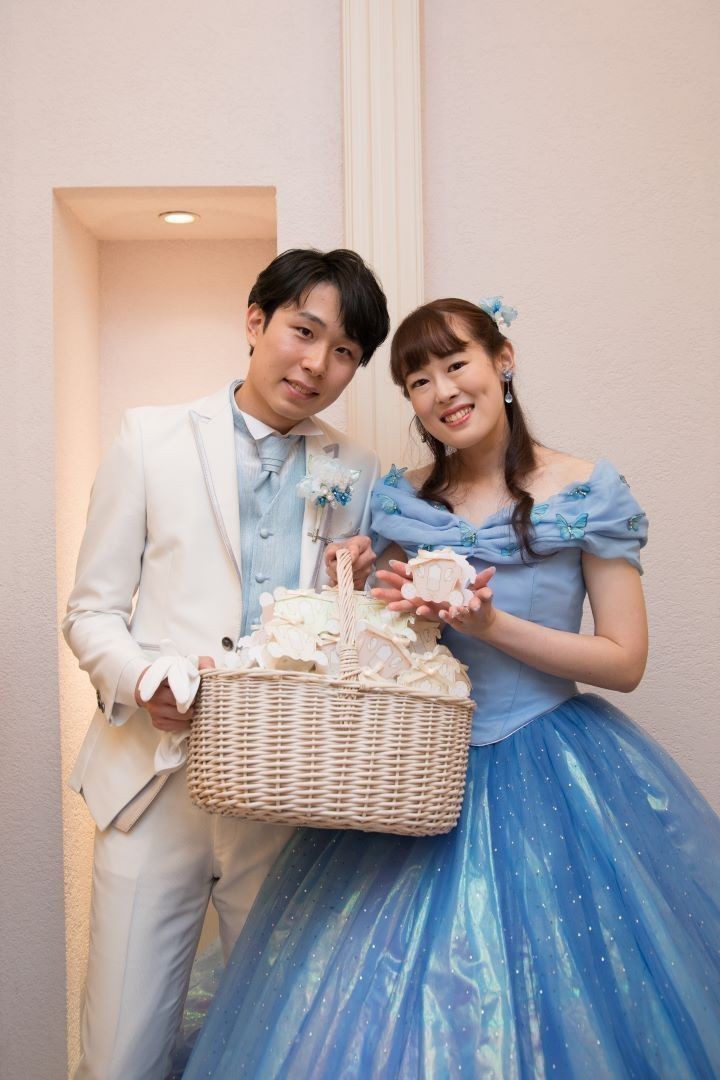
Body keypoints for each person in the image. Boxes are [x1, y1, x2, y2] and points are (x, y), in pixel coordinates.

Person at [184, 297, 720, 1078]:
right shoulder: (400, 498)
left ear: (503, 360)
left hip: (549, 763)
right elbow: (388, 644)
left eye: (456, 363)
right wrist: (359, 577)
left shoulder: (585, 491)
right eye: (418, 380)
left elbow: (624, 660)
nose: (442, 391)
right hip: (414, 773)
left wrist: (490, 624)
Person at [63, 247, 390, 1080]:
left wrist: (362, 590)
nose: (316, 364)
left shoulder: (358, 473)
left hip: (287, 803)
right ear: (255, 320)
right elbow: (91, 611)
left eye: (345, 352)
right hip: (151, 784)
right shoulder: (150, 436)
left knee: (278, 1052)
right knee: (121, 1052)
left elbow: (356, 638)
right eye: (303, 332)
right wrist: (141, 679)